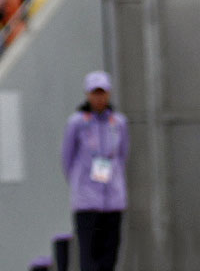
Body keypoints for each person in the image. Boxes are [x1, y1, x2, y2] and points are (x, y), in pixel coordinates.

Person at [62, 71, 128, 271]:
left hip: (112, 199)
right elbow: (67, 157)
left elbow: (123, 154)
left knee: (109, 256)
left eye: (102, 93)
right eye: (95, 93)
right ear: (87, 95)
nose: (99, 98)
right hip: (87, 200)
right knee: (89, 258)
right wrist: (79, 182)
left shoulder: (118, 123)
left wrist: (114, 180)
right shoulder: (78, 123)